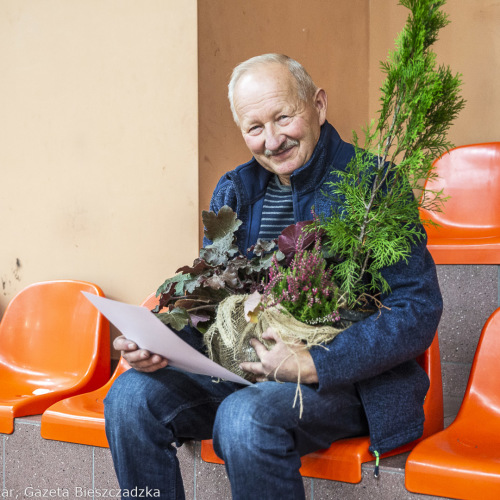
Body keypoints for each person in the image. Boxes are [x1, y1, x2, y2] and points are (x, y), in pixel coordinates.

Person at [104, 54, 443, 500]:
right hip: (244, 369)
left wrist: (316, 362)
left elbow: (416, 310)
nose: (272, 140)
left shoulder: (374, 184)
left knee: (244, 419)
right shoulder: (235, 190)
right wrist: (158, 344)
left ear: (318, 106)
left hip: (346, 382)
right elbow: (211, 305)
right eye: (254, 128)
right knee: (129, 399)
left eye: (284, 117)